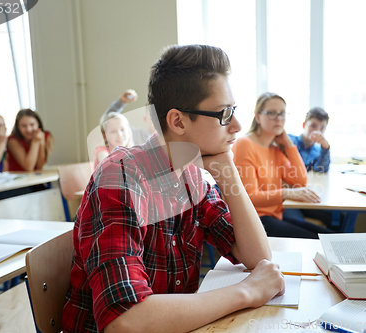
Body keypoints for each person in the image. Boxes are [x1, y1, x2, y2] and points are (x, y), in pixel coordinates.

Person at [62, 45, 285, 333]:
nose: (238, 126)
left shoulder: (192, 174)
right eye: (225, 114)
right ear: (178, 121)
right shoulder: (120, 177)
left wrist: (227, 170)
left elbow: (257, 257)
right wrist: (247, 292)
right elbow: (125, 321)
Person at [232, 92, 333, 239]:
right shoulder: (244, 144)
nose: (279, 118)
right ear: (258, 117)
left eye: (282, 113)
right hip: (253, 220)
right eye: (272, 113)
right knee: (322, 240)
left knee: (331, 237)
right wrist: (286, 193)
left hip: (273, 216)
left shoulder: (274, 148)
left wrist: (289, 145)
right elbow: (249, 197)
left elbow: (299, 181)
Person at [288, 107, 330, 173]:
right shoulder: (288, 140)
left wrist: (325, 147)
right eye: (313, 126)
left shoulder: (319, 152)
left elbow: (321, 170)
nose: (317, 131)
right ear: (304, 125)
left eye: (322, 128)